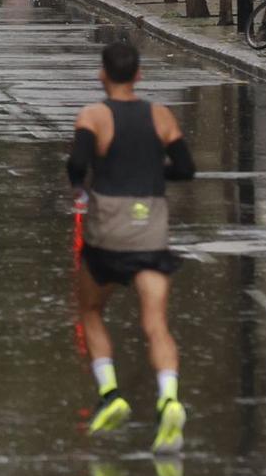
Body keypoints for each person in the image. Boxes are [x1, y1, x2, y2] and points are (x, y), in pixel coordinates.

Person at [68, 39, 195, 454]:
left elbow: (77, 165)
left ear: (103, 74)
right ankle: (170, 397)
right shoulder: (160, 116)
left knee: (90, 309)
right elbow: (186, 168)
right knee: (156, 322)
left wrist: (85, 184)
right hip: (151, 226)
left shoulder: (93, 115)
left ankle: (110, 394)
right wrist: (153, 175)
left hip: (109, 229)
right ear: (139, 75)